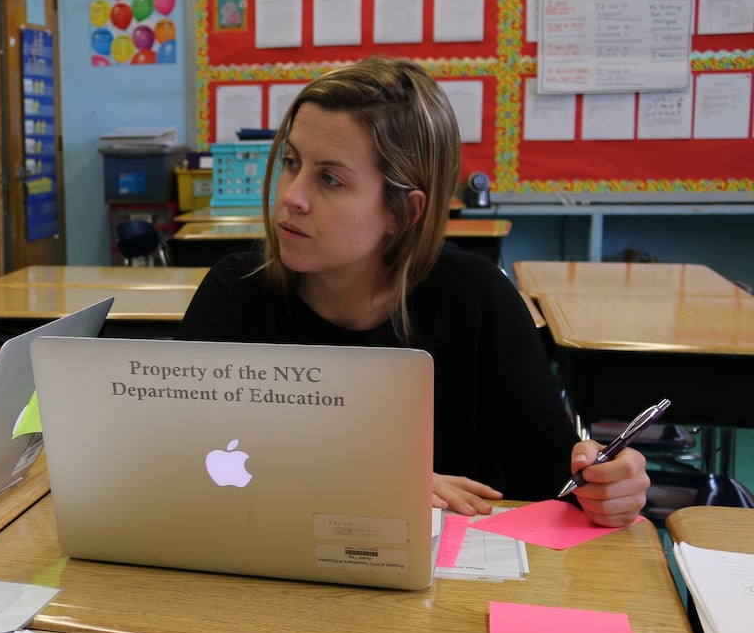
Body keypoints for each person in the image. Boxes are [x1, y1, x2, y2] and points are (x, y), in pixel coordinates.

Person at [175, 56, 648, 527]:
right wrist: (374, 485)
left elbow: (557, 486)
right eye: (292, 163)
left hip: (450, 590)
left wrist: (607, 490)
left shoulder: (479, 301)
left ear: (404, 211)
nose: (291, 196)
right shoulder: (235, 292)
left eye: (330, 179)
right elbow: (177, 463)